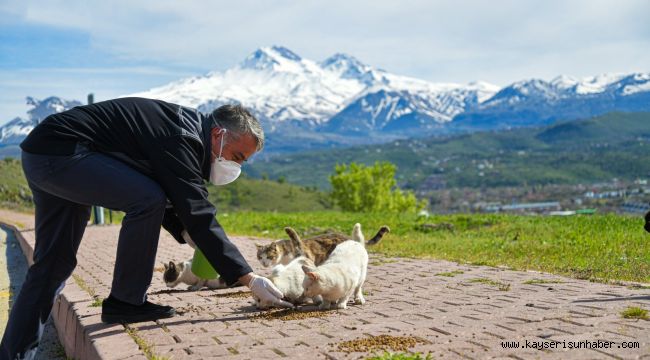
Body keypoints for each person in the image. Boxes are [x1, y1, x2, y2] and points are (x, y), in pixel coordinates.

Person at [0, 97, 291, 360]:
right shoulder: (182, 137)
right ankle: (126, 301)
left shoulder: (186, 131)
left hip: (45, 153)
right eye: (237, 156)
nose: (236, 167)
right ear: (219, 134)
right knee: (147, 198)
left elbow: (174, 194)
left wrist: (191, 234)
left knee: (52, 265)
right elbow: (193, 209)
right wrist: (250, 279)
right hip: (64, 155)